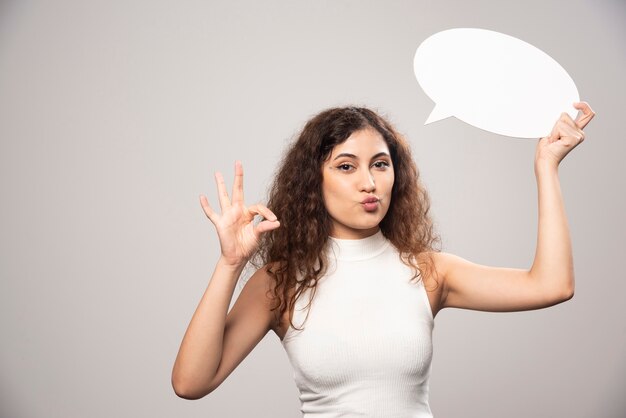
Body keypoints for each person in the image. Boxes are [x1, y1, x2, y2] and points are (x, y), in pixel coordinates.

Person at [171, 103, 595, 417]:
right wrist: (230, 264)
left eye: (379, 164)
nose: (369, 182)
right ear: (313, 184)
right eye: (345, 166)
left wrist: (546, 167)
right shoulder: (279, 282)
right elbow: (191, 383)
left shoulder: (427, 271)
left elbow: (552, 285)